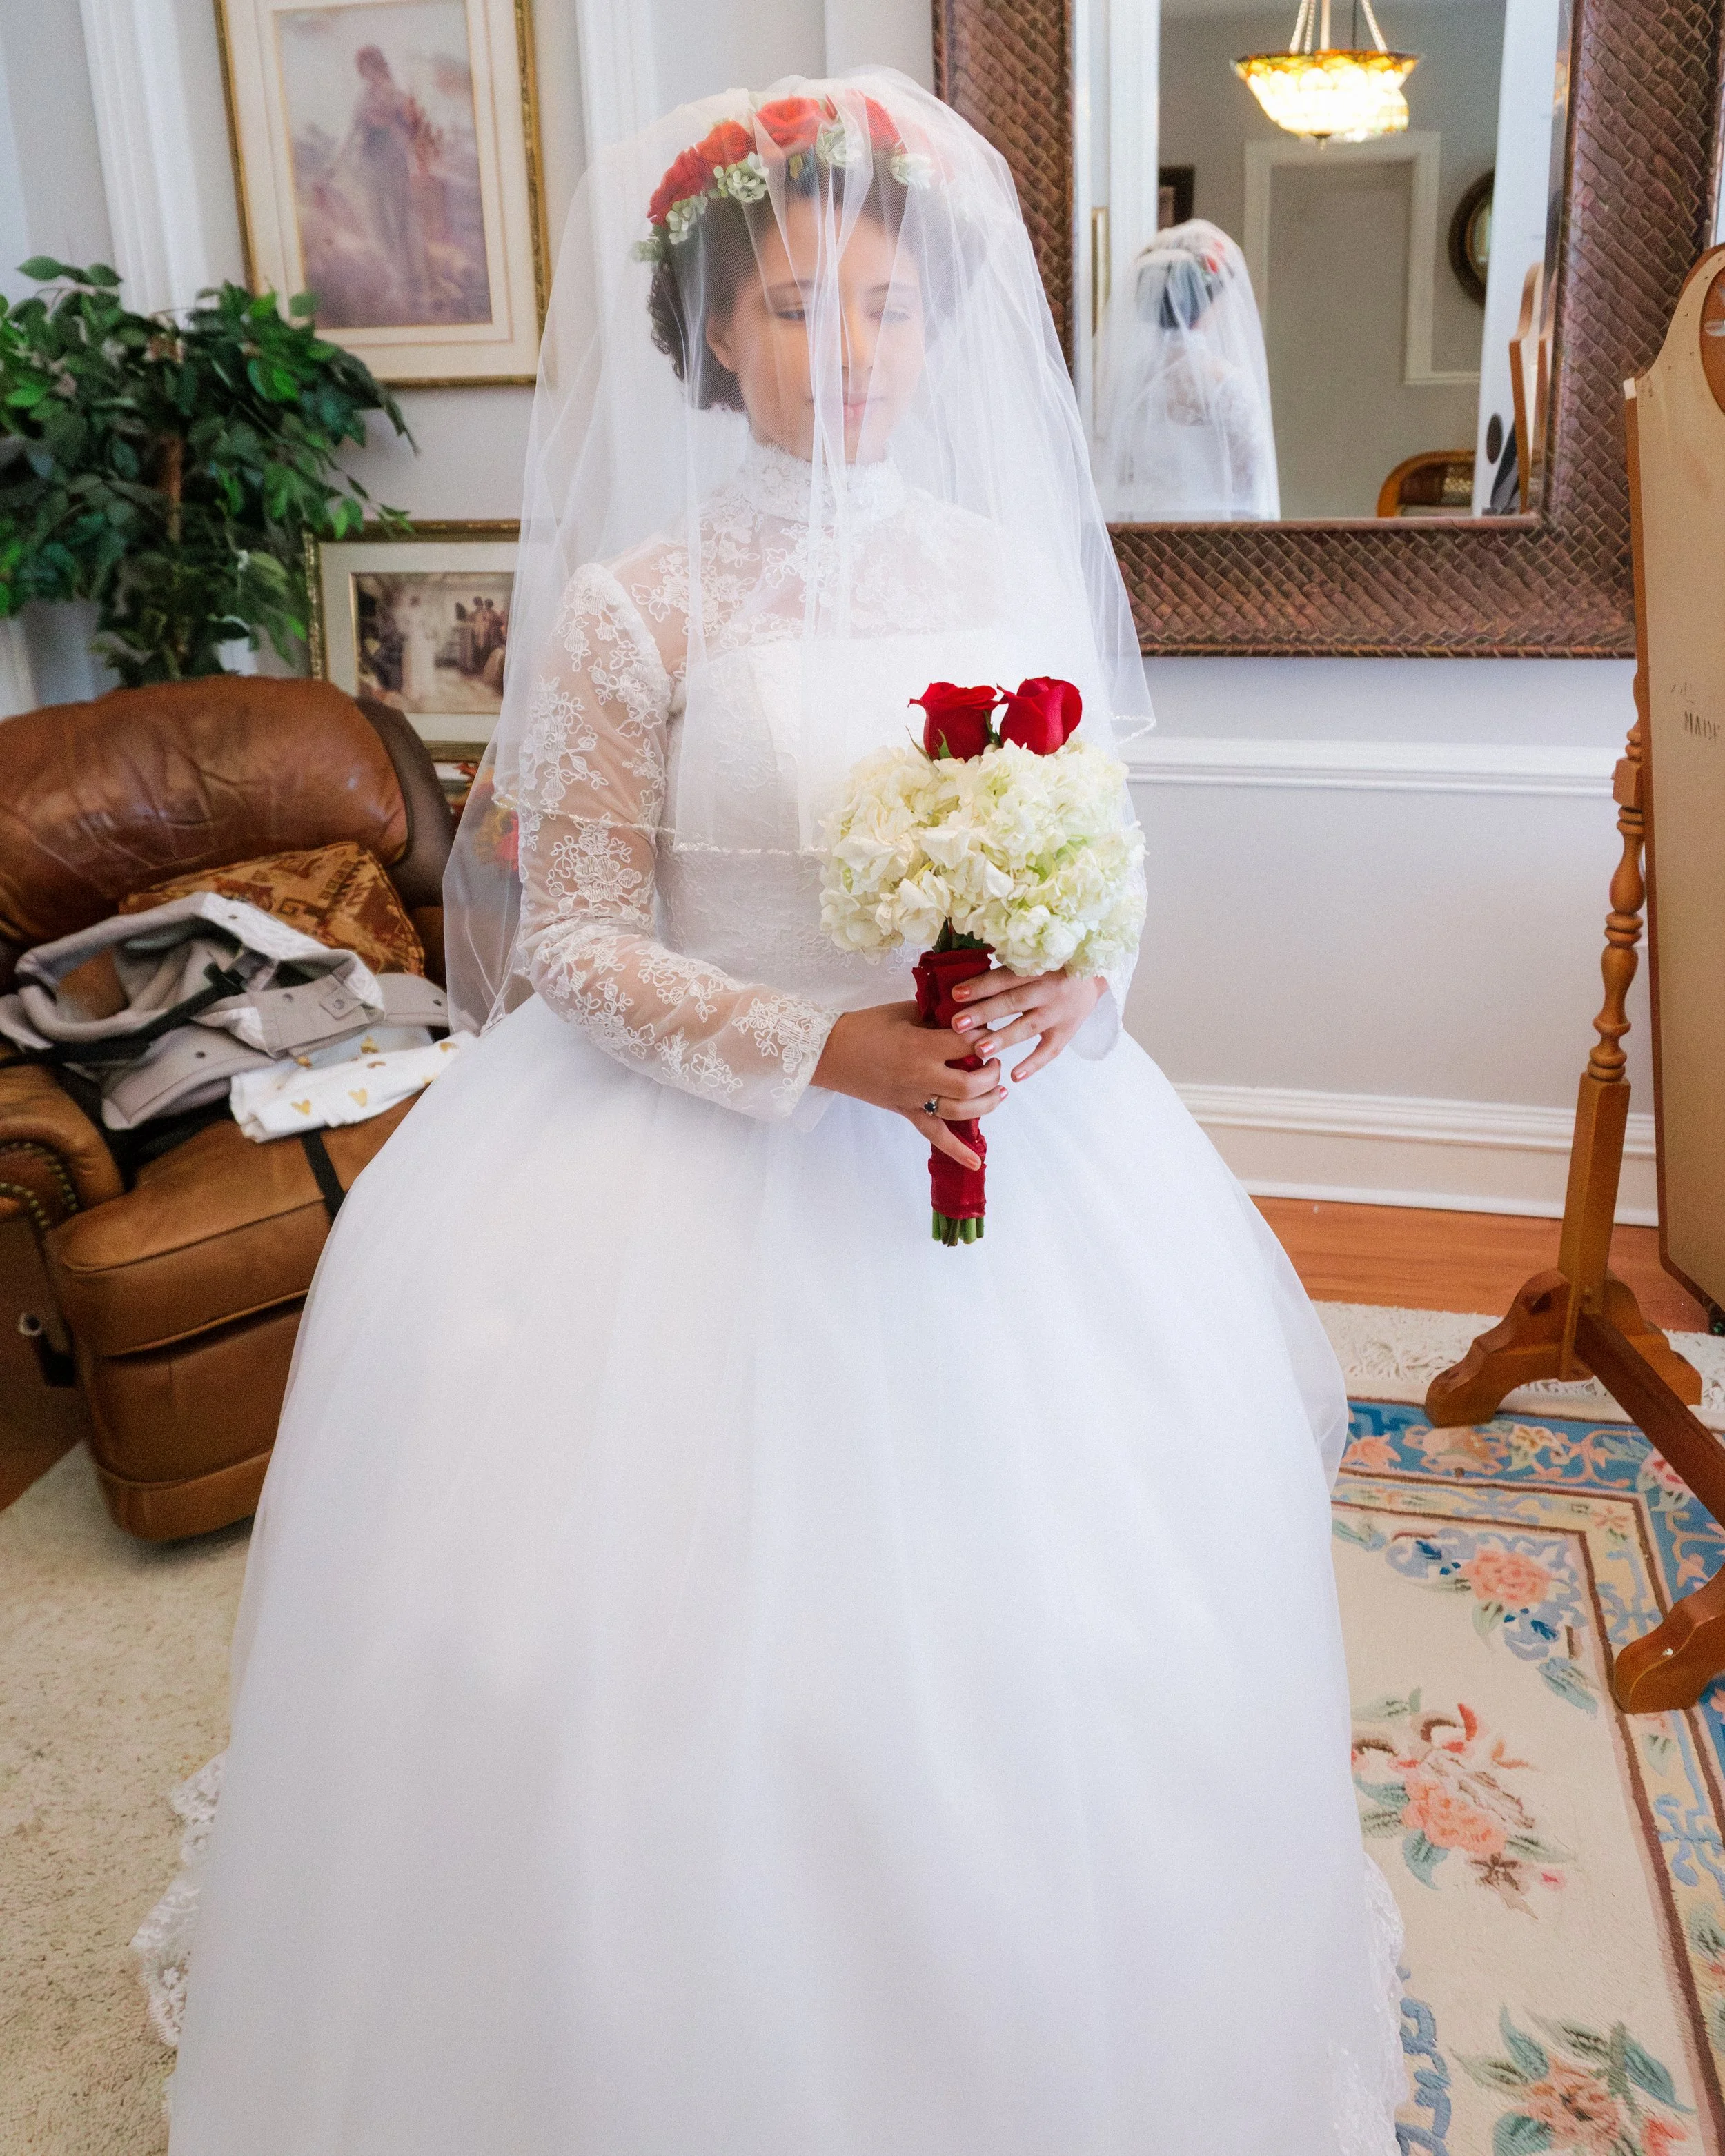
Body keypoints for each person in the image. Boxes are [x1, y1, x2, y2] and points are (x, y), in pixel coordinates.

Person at [155, 73, 1403, 2154]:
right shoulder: (636, 608)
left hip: (1006, 1154)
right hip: (686, 1158)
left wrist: (1069, 988)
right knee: (648, 1676)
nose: (851, 355)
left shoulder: (1006, 572)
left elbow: (1107, 856)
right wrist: (825, 1053)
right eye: (801, 310)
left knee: (1067, 1646)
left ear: (940, 329)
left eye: (889, 310)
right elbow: (566, 935)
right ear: (714, 330)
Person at [1092, 218, 1280, 521]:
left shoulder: (1129, 384)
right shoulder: (1227, 386)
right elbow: (1253, 491)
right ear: (1207, 305)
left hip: (1139, 548)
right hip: (1209, 551)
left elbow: (1116, 476)